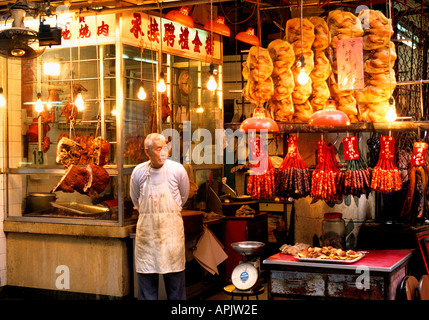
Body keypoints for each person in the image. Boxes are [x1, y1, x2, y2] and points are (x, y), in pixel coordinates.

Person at [130, 133, 190, 300]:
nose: (163, 152)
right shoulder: (138, 172)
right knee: (147, 291)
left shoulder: (178, 170)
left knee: (176, 291)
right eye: (158, 149)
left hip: (172, 240)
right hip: (148, 240)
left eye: (165, 147)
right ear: (147, 152)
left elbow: (183, 198)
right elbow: (135, 200)